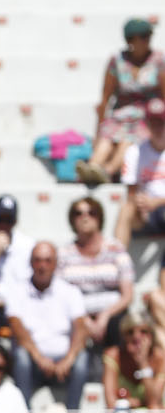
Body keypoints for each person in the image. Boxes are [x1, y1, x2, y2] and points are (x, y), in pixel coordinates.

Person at [4, 242, 90, 411]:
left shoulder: (70, 291)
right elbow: (17, 327)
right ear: (30, 263)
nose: (42, 266)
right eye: (38, 260)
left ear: (55, 263)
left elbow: (81, 328)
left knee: (82, 359)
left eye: (47, 260)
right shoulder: (17, 291)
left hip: (64, 364)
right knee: (21, 357)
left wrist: (68, 359)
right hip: (33, 362)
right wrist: (39, 358)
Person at [77, 18, 164, 185]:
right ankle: (93, 166)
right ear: (130, 40)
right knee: (107, 137)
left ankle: (107, 171)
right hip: (120, 114)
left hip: (147, 116)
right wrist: (98, 131)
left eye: (148, 35)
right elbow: (105, 98)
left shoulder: (158, 60)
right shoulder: (117, 60)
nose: (148, 40)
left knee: (129, 139)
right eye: (143, 36)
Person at [57, 196, 134, 349]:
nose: (85, 218)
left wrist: (105, 316)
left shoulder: (115, 249)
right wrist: (84, 319)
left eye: (91, 213)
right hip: (77, 314)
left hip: (113, 313)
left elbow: (128, 295)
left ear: (100, 218)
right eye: (78, 213)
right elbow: (59, 294)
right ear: (72, 220)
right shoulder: (64, 254)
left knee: (120, 325)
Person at [100, 312, 165, 413]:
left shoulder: (160, 358)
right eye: (130, 332)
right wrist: (134, 403)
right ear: (123, 336)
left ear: (151, 335)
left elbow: (154, 399)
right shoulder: (113, 355)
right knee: (117, 410)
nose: (136, 337)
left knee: (155, 409)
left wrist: (143, 364)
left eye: (143, 332)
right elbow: (111, 402)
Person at [114, 96, 165, 246]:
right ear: (147, 124)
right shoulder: (134, 151)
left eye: (161, 123)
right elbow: (131, 193)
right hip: (145, 212)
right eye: (154, 123)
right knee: (126, 208)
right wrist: (141, 202)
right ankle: (118, 256)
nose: (158, 128)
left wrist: (157, 202)